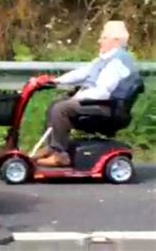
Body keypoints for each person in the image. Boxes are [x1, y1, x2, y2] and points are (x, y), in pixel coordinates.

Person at [33, 20, 141, 167]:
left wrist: (78, 97)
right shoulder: (105, 59)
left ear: (115, 41)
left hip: (108, 108)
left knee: (61, 108)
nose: (99, 41)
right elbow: (83, 73)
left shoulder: (118, 62)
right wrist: (56, 81)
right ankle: (53, 147)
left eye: (103, 37)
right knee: (56, 104)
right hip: (100, 103)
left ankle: (60, 155)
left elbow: (102, 92)